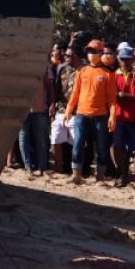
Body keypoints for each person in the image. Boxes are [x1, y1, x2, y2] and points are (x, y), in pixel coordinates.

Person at [65, 39, 118, 185]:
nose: (91, 54)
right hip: (81, 114)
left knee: (101, 146)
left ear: (101, 53)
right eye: (89, 51)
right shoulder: (82, 72)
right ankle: (76, 174)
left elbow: (112, 99)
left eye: (94, 51)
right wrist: (69, 109)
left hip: (100, 116)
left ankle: (100, 176)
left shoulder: (108, 74)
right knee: (78, 143)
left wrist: (112, 116)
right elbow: (75, 93)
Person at [112, 43, 135, 188]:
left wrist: (125, 95)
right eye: (122, 59)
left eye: (128, 59)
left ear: (133, 59)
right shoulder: (114, 75)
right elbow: (112, 95)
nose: (125, 61)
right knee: (118, 147)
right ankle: (123, 175)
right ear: (119, 59)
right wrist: (128, 96)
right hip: (119, 116)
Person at [18, 58, 56, 177]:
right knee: (24, 138)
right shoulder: (19, 65)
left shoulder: (44, 65)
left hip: (39, 108)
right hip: (22, 109)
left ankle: (42, 167)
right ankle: (28, 167)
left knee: (41, 139)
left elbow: (50, 86)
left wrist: (52, 104)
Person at [49, 46, 79, 176]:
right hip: (61, 108)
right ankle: (58, 168)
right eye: (65, 55)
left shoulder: (82, 71)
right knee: (56, 139)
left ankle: (75, 170)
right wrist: (53, 104)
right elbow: (56, 88)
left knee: (75, 142)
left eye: (69, 56)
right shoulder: (61, 68)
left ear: (76, 56)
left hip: (77, 111)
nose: (66, 58)